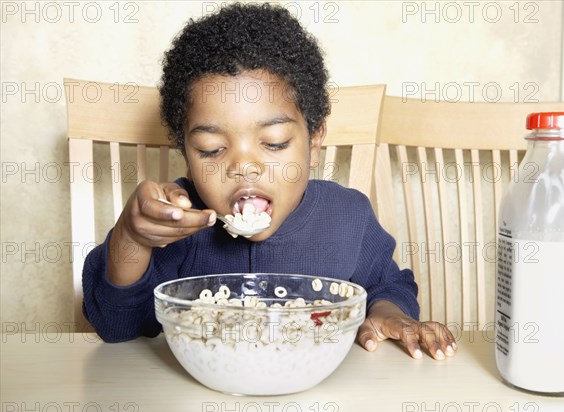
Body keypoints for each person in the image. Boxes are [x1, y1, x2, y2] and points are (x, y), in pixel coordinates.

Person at [83, 2, 457, 359]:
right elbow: (119, 326)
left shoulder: (349, 217)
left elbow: (387, 286)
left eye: (274, 143)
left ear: (314, 142)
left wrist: (389, 314)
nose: (244, 166)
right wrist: (132, 238)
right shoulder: (180, 229)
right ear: (185, 152)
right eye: (212, 149)